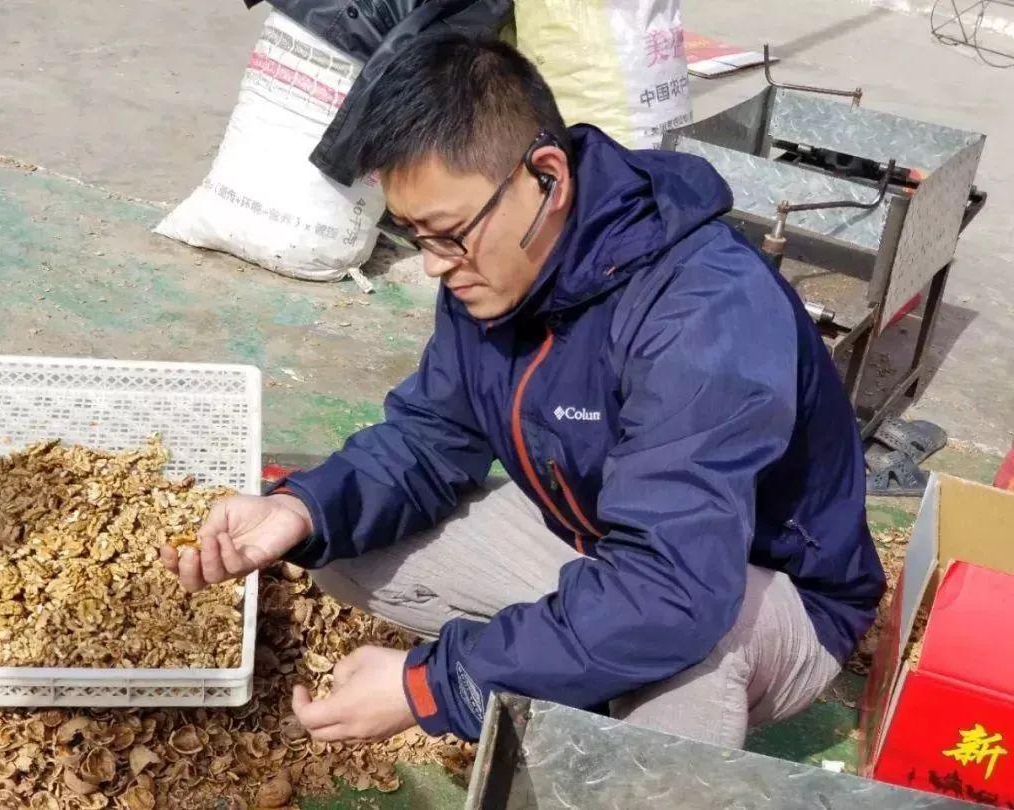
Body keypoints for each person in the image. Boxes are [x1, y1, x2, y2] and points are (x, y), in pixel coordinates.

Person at [160, 33, 885, 748]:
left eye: (448, 234)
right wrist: (298, 508)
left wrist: (429, 686)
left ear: (547, 176)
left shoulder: (703, 311)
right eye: (416, 236)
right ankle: (583, 654)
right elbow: (430, 437)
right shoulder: (489, 268)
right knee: (341, 545)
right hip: (603, 539)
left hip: (763, 595)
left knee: (683, 658)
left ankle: (612, 698)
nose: (434, 266)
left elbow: (674, 588)